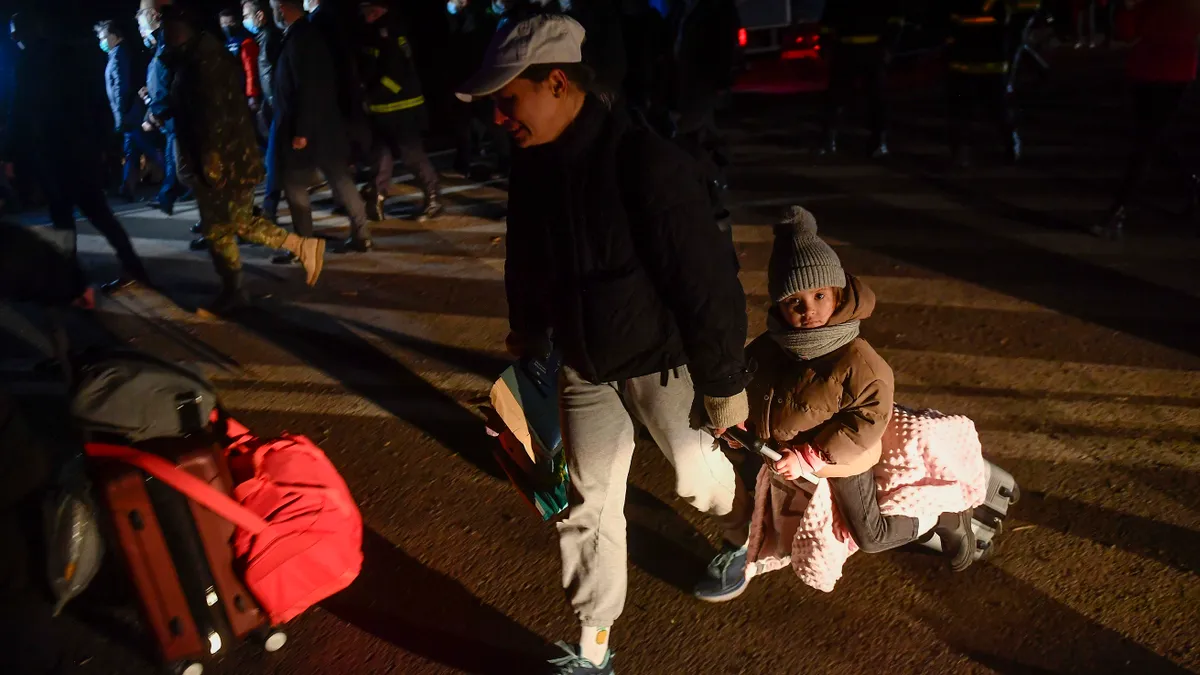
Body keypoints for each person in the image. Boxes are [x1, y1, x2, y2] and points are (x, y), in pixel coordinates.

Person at [457, 14, 751, 674]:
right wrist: (529, 330)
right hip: (583, 364)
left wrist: (724, 382)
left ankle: (746, 533)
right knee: (586, 505)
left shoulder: (645, 162)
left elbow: (705, 280)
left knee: (698, 478)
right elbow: (525, 257)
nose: (500, 118)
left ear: (558, 83)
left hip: (661, 361)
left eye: (509, 99)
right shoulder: (533, 166)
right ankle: (594, 648)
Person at [693, 206, 978, 602]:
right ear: (778, 306)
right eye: (793, 301)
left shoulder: (857, 360)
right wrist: (735, 421)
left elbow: (867, 419)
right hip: (786, 453)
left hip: (841, 458)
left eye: (819, 296)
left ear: (838, 294)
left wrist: (811, 456)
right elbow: (751, 384)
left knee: (870, 534)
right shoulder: (769, 347)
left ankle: (946, 517)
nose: (807, 310)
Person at [160, 6, 325, 311]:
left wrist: (211, 167)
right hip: (213, 162)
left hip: (226, 163)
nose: (163, 32)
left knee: (237, 224)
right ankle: (234, 289)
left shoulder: (207, 62)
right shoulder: (191, 58)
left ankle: (299, 247)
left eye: (168, 25)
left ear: (184, 27)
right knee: (219, 228)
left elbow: (214, 119)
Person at [6, 11, 149, 291]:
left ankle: (69, 277)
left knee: (62, 217)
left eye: (15, 33)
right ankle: (133, 268)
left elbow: (20, 111)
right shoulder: (69, 56)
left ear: (23, 32)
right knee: (98, 213)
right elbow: (96, 101)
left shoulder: (29, 63)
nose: (14, 39)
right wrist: (101, 143)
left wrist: (9, 154)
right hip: (81, 149)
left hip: (54, 152)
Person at [270, 0, 372, 254]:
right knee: (340, 178)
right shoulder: (306, 35)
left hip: (306, 127)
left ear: (282, 8)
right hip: (324, 125)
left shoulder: (300, 39)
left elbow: (308, 87)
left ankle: (305, 245)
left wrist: (302, 131)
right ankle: (362, 235)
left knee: (294, 184)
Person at [1093, 0, 1200, 239]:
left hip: (1175, 72)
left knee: (1146, 142)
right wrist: (1129, 8)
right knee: (1153, 138)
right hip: (1145, 70)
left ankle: (1118, 209)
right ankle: (1192, 185)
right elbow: (1126, 33)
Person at [357, 0, 442, 223]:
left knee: (411, 155)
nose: (364, 15)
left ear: (377, 10)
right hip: (382, 109)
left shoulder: (389, 32)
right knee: (380, 155)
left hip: (402, 109)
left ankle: (433, 197)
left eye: (367, 10)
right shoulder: (375, 31)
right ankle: (377, 197)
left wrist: (371, 97)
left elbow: (394, 76)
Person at [666, 0, 739, 224]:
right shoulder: (689, 7)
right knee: (697, 140)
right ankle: (708, 199)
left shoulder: (718, 7)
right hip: (692, 85)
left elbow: (725, 47)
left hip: (704, 85)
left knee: (699, 141)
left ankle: (713, 201)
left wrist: (720, 83)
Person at [818, 0, 904, 158]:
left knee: (877, 98)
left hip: (872, 50)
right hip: (846, 50)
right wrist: (826, 44)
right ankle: (828, 141)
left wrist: (888, 47)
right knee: (836, 97)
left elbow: (896, 20)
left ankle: (879, 142)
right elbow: (827, 21)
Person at [95, 20, 164, 202]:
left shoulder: (119, 55)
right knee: (131, 152)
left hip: (130, 114)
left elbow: (121, 87)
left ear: (114, 36)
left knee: (147, 148)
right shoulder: (115, 54)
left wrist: (121, 115)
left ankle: (178, 180)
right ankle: (127, 188)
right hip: (128, 114)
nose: (102, 42)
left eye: (103, 37)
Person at [945, 0, 1021, 167]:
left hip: (989, 66)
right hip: (966, 66)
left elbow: (1005, 33)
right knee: (962, 112)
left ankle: (1010, 143)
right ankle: (960, 151)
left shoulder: (998, 5)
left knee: (997, 110)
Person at [139, 0, 189, 216]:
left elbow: (165, 80)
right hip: (172, 116)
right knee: (175, 161)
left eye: (141, 19)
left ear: (153, 15)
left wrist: (155, 113)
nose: (140, 27)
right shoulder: (162, 43)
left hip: (177, 115)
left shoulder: (167, 43)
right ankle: (166, 198)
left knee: (184, 166)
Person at [243, 0, 284, 213]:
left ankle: (269, 208)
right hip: (272, 106)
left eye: (246, 15)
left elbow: (273, 75)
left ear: (260, 15)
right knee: (274, 156)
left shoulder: (268, 38)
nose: (244, 21)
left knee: (273, 158)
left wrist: (271, 104)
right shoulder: (263, 38)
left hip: (277, 106)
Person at [219, 8, 263, 112]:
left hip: (245, 92)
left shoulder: (246, 42)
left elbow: (250, 70)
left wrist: (252, 95)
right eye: (223, 24)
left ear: (237, 22)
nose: (227, 26)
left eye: (230, 23)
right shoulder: (224, 45)